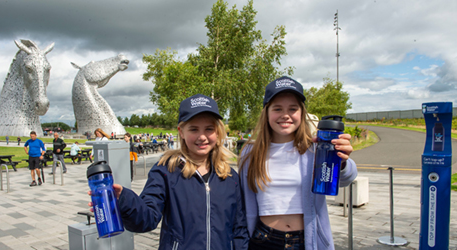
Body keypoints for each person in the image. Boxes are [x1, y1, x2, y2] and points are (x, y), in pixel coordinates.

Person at [90, 94, 249, 249]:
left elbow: (239, 229)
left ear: (218, 132)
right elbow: (146, 219)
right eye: (194, 129)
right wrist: (124, 200)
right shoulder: (166, 170)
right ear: (181, 131)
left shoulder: (229, 176)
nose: (202, 136)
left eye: (209, 129)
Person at [239, 76, 357, 250]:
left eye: (292, 109)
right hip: (263, 240)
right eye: (277, 109)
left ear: (301, 113)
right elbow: (243, 202)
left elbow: (347, 178)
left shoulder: (315, 149)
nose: (285, 115)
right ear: (266, 112)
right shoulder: (250, 153)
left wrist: (342, 161)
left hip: (305, 241)